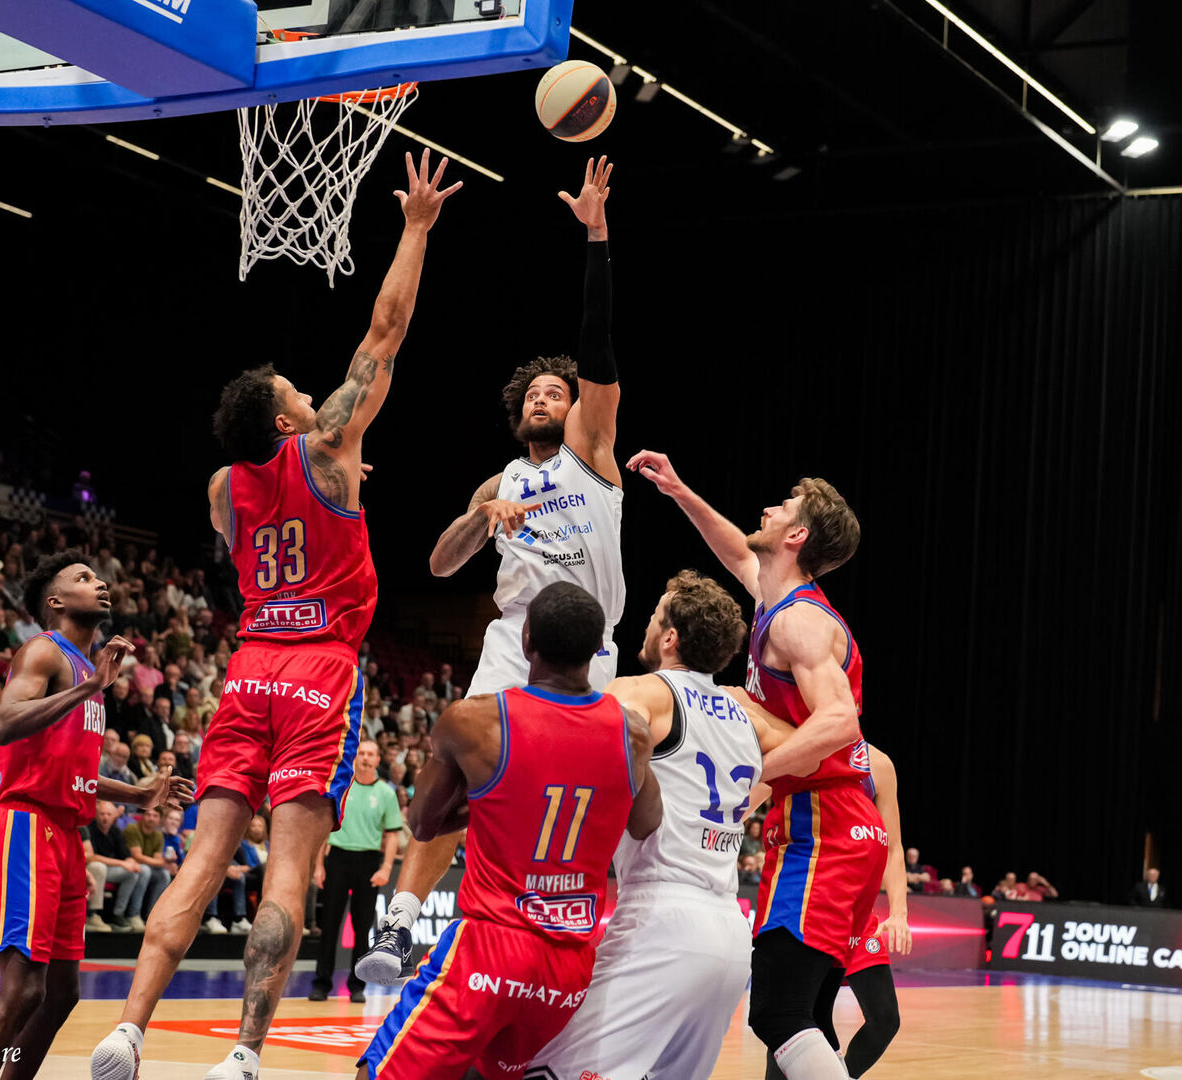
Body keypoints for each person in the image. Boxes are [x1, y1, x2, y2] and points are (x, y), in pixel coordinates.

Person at [93, 150, 460, 1080]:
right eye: (299, 393)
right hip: (319, 671)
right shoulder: (330, 449)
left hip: (247, 666)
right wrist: (414, 226)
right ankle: (245, 1054)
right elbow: (385, 329)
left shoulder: (224, 486)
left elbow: (267, 510)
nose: (310, 389)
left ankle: (128, 1029)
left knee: (203, 858)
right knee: (287, 872)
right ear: (294, 423)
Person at [361, 156, 627, 985]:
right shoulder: (500, 481)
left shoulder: (591, 451)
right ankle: (400, 925)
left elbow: (596, 342)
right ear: (520, 412)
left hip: (590, 646)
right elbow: (438, 565)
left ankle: (600, 927)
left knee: (592, 794)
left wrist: (594, 232)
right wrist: (481, 517)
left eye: (560, 389)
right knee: (456, 757)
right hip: (512, 640)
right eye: (538, 392)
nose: (551, 396)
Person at [626, 450, 878, 1080]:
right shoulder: (776, 596)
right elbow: (735, 549)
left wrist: (755, 779)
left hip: (828, 824)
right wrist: (680, 490)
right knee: (801, 1016)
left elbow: (841, 722)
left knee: (776, 1013)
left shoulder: (799, 622)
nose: (765, 508)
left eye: (782, 506)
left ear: (796, 536)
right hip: (822, 823)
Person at [358, 582, 660, 1079]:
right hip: (568, 965)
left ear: (525, 642)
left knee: (381, 1072)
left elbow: (423, 823)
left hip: (491, 945)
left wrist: (488, 803)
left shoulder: (476, 722)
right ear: (597, 650)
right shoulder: (632, 734)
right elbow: (646, 822)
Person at [529, 571, 793, 1080]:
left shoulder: (644, 691)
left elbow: (581, 729)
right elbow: (806, 753)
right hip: (731, 936)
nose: (647, 628)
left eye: (653, 619)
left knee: (549, 1071)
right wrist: (746, 800)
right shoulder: (747, 715)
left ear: (670, 638)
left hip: (663, 918)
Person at [0, 554, 188, 1080]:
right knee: (23, 990)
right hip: (24, 825)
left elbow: (75, 772)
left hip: (64, 833)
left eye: (99, 576)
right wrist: (90, 689)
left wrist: (140, 794)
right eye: (84, 578)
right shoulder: (45, 651)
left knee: (61, 995)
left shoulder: (88, 672)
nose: (100, 582)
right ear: (55, 601)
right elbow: (5, 724)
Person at [764, 743, 910, 1080]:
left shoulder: (879, 764)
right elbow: (750, 792)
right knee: (802, 1017)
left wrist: (899, 911)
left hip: (859, 918)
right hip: (814, 905)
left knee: (885, 1019)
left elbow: (894, 845)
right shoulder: (798, 746)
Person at [310, 738, 401, 1003]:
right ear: (355, 756)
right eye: (361, 753)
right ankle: (321, 983)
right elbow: (325, 827)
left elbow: (393, 834)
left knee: (362, 928)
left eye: (370, 754)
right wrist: (318, 865)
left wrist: (386, 867)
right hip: (337, 858)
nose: (365, 757)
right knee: (329, 925)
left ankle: (357, 986)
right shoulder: (342, 786)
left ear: (377, 759)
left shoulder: (385, 793)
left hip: (369, 861)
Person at [87, 800, 154, 932]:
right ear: (96, 815)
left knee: (142, 870)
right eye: (102, 814)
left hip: (111, 868)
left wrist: (131, 862)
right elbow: (92, 857)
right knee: (103, 867)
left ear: (114, 816)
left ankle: (126, 914)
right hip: (94, 868)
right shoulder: (90, 828)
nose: (105, 817)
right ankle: (96, 915)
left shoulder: (115, 830)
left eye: (108, 814)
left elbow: (124, 854)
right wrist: (123, 863)